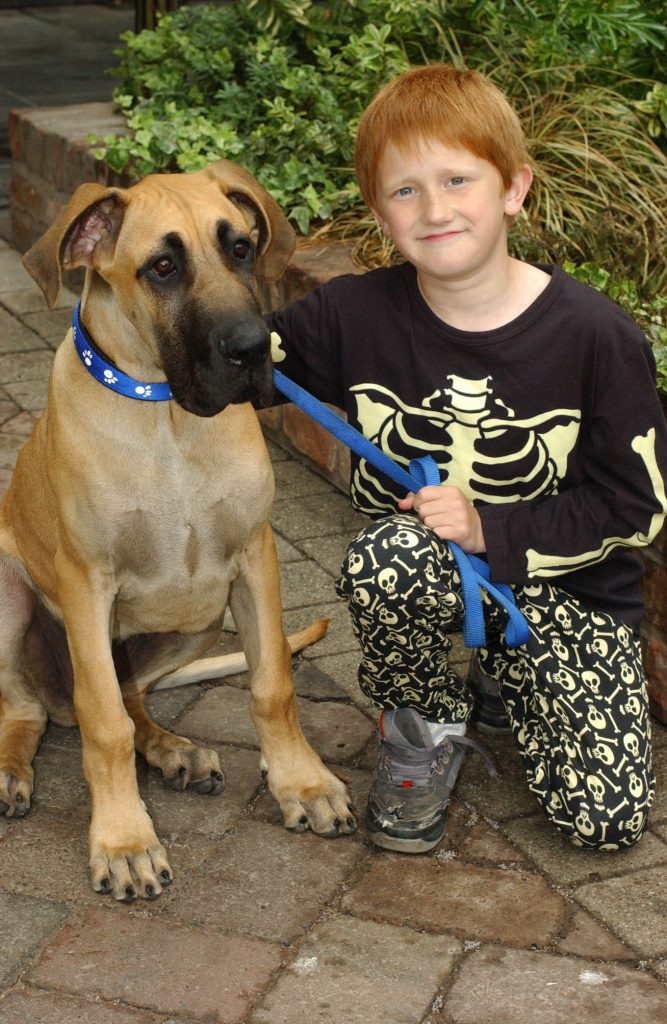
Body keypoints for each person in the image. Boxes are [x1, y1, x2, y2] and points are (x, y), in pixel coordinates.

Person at [266, 64, 667, 854]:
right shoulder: (350, 315)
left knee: (604, 821)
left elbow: (636, 505)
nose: (435, 209)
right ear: (379, 212)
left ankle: (500, 671)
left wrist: (490, 528)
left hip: (567, 593)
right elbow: (237, 365)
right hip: (428, 564)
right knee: (387, 559)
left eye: (457, 179)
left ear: (513, 188)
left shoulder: (596, 337)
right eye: (404, 190)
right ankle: (419, 728)